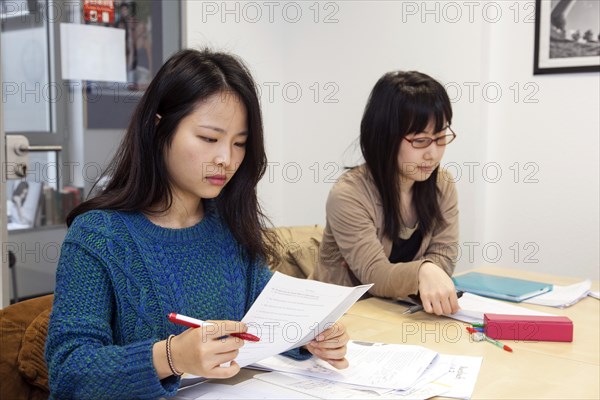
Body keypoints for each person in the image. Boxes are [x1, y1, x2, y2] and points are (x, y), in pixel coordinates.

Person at [45, 49, 349, 399]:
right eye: (208, 139)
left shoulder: (227, 225)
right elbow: (68, 370)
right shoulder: (99, 237)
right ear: (160, 128)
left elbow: (268, 321)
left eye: (239, 144)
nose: (226, 159)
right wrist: (172, 356)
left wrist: (312, 335)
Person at [315, 71, 460, 316]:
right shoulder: (349, 194)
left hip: (400, 313)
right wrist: (423, 271)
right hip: (343, 318)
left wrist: (430, 272)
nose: (433, 154)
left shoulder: (442, 184)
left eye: (441, 137)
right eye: (421, 141)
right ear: (386, 137)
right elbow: (374, 274)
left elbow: (445, 254)